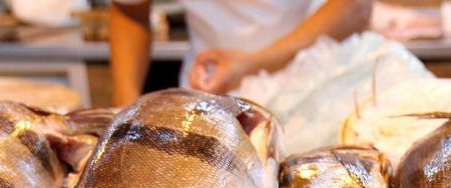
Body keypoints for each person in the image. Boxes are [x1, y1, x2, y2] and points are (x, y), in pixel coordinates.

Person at [108, 0, 373, 104]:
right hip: (206, 96)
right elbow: (130, 11)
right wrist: (123, 109)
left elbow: (355, 6)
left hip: (311, 95)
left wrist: (251, 64)